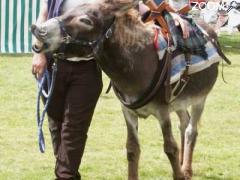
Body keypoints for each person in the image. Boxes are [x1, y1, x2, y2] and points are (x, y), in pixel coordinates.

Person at [32, 0, 103, 179]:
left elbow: (135, 10)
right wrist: (38, 53)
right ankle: (68, 173)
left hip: (87, 69)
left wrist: (166, 13)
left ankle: (64, 176)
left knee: (73, 128)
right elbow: (43, 16)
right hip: (53, 64)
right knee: (56, 124)